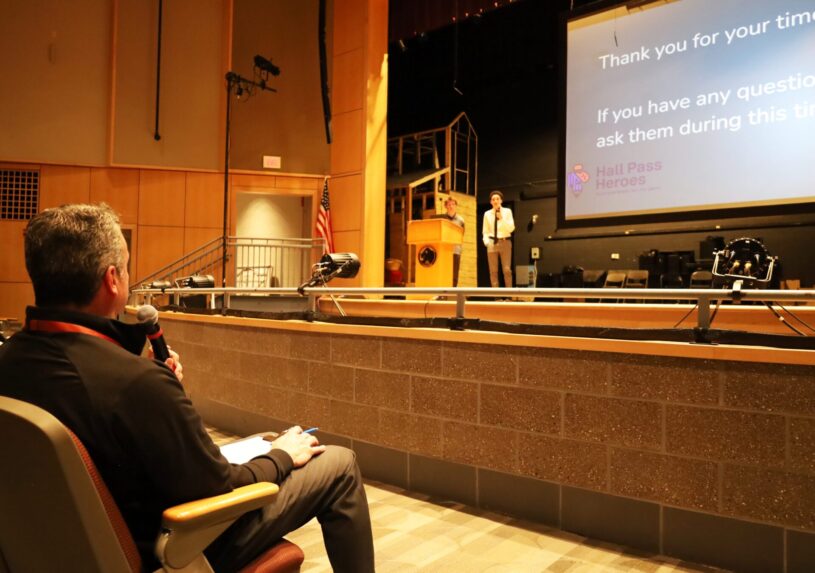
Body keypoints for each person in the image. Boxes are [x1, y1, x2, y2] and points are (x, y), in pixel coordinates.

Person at [0, 204, 375, 573]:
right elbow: (218, 488)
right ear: (112, 279)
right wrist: (280, 454)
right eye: (128, 268)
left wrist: (158, 389)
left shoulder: (11, 360)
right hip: (168, 546)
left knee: (263, 444)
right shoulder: (135, 384)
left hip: (57, 548)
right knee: (338, 464)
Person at [481, 190, 515, 288]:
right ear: (491, 202)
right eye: (493, 199)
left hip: (505, 241)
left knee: (507, 270)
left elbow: (511, 228)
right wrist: (487, 242)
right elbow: (485, 231)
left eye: (497, 199)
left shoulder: (507, 212)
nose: (495, 201)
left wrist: (502, 218)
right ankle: (496, 296)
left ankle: (509, 295)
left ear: (501, 201)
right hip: (492, 242)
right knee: (493, 271)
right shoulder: (487, 214)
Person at [439, 197, 465, 286]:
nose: (451, 206)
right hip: (443, 250)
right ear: (446, 206)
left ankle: (453, 292)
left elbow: (462, 234)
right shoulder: (441, 219)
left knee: (454, 274)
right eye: (449, 204)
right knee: (443, 272)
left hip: (455, 250)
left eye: (453, 204)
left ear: (456, 206)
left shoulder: (460, 220)